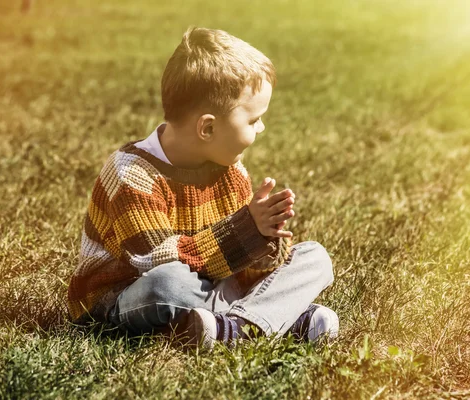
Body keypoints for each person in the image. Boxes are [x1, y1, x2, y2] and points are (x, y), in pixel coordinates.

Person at [67, 27, 339, 349]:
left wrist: (265, 241)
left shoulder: (230, 171)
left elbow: (237, 266)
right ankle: (277, 320)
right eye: (253, 121)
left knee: (315, 258)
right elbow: (155, 261)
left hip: (207, 283)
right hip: (125, 295)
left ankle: (230, 328)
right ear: (207, 127)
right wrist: (246, 231)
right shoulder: (130, 173)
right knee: (172, 284)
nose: (261, 128)